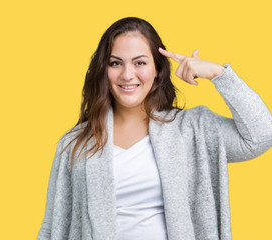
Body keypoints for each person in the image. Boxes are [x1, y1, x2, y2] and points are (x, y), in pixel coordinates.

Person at [37, 17, 272, 240]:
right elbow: (52, 227)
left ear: (158, 71)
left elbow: (261, 136)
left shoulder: (193, 130)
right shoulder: (75, 143)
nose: (127, 75)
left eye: (140, 63)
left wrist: (218, 74)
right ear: (104, 70)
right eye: (116, 63)